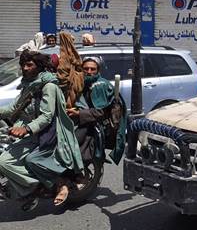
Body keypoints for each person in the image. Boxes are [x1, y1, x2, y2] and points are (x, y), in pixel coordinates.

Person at [0, 50, 83, 210]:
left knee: (4, 161)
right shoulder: (29, 84)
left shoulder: (49, 86)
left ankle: (36, 186)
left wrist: (26, 129)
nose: (24, 68)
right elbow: (14, 107)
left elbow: (46, 116)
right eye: (23, 65)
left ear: (39, 66)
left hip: (45, 133)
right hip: (29, 131)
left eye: (29, 65)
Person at [66, 56, 127, 185]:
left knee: (73, 144)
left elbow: (100, 112)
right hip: (85, 120)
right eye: (86, 68)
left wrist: (79, 113)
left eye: (92, 69)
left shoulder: (100, 86)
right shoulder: (83, 83)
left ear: (98, 71)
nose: (89, 71)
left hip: (97, 125)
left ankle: (78, 174)